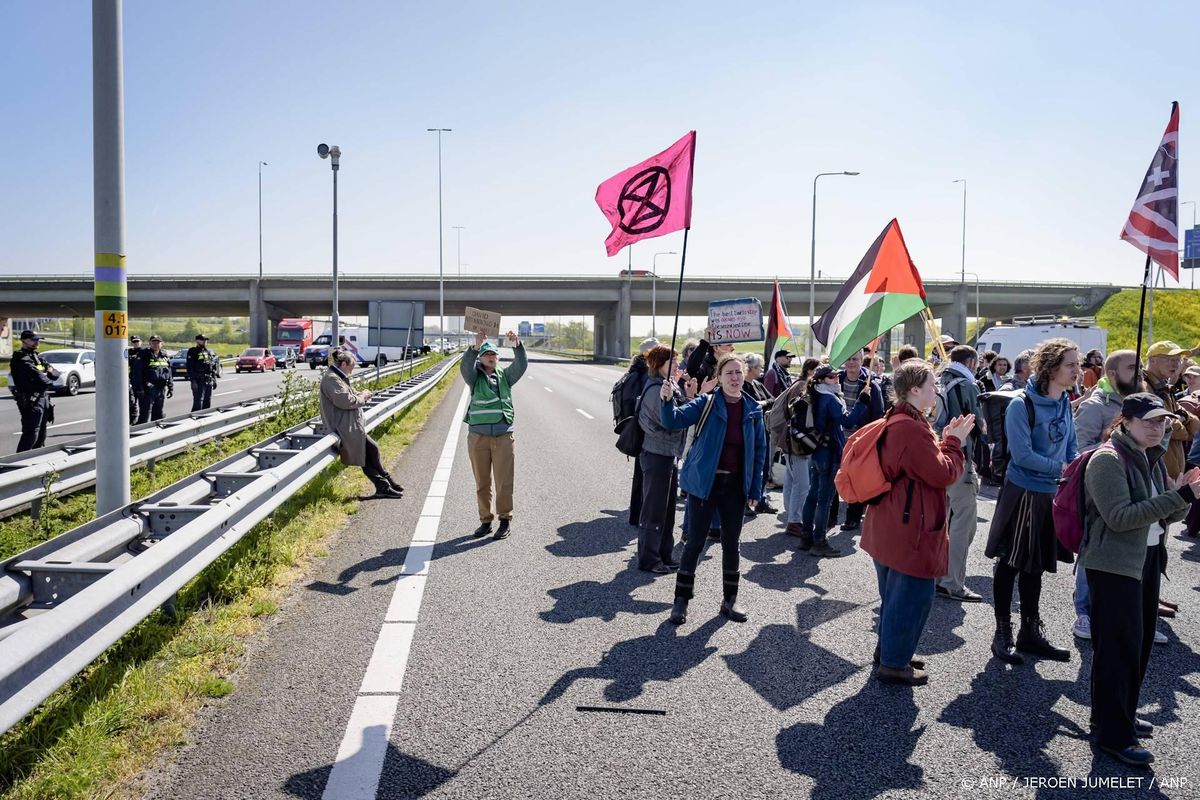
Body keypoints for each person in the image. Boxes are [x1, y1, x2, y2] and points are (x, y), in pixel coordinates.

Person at [1081, 393, 1200, 767]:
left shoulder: (1148, 458)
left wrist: (1184, 495)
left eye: (1162, 421)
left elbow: (1164, 516)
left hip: (1144, 559)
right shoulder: (1107, 459)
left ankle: (1117, 716)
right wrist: (1180, 494)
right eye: (1148, 421)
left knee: (1140, 643)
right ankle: (1114, 736)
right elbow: (1120, 518)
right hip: (1113, 563)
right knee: (1118, 649)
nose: (1157, 427)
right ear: (1125, 421)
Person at [862, 359, 974, 685]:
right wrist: (954, 442)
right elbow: (941, 474)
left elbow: (922, 463)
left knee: (896, 595)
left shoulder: (902, 419)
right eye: (932, 385)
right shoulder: (910, 427)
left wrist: (945, 439)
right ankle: (894, 663)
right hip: (908, 526)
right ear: (914, 390)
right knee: (912, 596)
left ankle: (891, 651)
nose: (936, 390)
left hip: (892, 521)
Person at [985, 338, 1080, 664]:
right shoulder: (1019, 405)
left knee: (1035, 564)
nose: (1077, 371)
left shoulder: (1065, 401)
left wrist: (1075, 470)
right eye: (1071, 365)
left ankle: (1030, 632)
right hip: (1023, 492)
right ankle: (1002, 632)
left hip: (1051, 493)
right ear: (1052, 368)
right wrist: (1063, 469)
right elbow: (1022, 455)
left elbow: (1071, 446)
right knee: (1010, 563)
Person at [659, 353, 767, 625]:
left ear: (744, 377)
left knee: (732, 544)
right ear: (719, 378)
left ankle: (730, 600)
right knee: (694, 542)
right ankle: (681, 601)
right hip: (705, 485)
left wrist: (755, 490)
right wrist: (667, 399)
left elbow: (759, 454)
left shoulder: (753, 410)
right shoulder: (706, 402)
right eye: (729, 373)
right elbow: (673, 420)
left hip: (735, 487)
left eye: (738, 373)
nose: (734, 378)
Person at [1070, 350, 1139, 639]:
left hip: (1138, 489)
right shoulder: (1096, 406)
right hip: (1101, 491)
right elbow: (1079, 449)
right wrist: (1111, 455)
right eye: (1133, 368)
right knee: (1094, 548)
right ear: (1112, 374)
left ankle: (1133, 611)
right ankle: (1084, 612)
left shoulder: (1141, 404)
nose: (1140, 374)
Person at [461, 330, 527, 539]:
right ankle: (485, 521)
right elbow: (464, 367)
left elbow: (521, 365)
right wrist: (475, 346)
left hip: (503, 436)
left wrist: (516, 344)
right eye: (487, 353)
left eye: (494, 354)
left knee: (504, 481)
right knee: (482, 482)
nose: (491, 356)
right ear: (480, 357)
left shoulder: (506, 377)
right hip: (478, 437)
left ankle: (504, 520)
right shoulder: (474, 377)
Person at [801, 364, 872, 557]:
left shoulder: (814, 394)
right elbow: (848, 421)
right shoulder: (829, 398)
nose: (836, 379)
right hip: (829, 452)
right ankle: (819, 542)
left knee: (812, 495)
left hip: (815, 451)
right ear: (822, 380)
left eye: (836, 376)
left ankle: (806, 536)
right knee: (824, 499)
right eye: (832, 377)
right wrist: (862, 401)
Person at [934, 346, 985, 603]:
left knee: (940, 518)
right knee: (964, 522)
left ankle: (935, 574)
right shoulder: (967, 384)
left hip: (937, 455)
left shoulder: (938, 379)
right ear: (971, 361)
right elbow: (979, 425)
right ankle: (952, 582)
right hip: (960, 458)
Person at [636, 345, 692, 573]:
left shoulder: (669, 386)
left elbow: (680, 412)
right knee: (653, 510)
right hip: (656, 454)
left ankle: (664, 554)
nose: (677, 365)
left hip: (668, 454)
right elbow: (670, 421)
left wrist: (688, 395)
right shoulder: (654, 390)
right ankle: (649, 559)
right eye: (672, 362)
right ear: (659, 365)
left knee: (667, 509)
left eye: (677, 361)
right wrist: (685, 404)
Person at [320, 349, 403, 499]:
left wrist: (361, 395)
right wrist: (363, 397)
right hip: (344, 428)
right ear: (344, 364)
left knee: (371, 451)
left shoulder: (339, 377)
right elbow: (345, 401)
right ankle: (385, 485)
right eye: (352, 365)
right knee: (367, 455)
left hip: (351, 426)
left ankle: (386, 484)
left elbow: (349, 395)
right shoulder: (332, 379)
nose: (353, 368)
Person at [829, 350, 885, 532]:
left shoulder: (870, 385)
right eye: (849, 359)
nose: (851, 363)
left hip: (859, 440)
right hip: (837, 438)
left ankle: (853, 518)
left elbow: (878, 415)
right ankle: (831, 516)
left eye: (855, 359)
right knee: (835, 478)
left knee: (855, 478)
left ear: (862, 361)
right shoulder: (836, 380)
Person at [768, 358, 819, 539]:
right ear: (810, 371)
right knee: (802, 483)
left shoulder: (799, 384)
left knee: (792, 480)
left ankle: (792, 517)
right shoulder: (802, 387)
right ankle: (795, 521)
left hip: (791, 440)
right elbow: (799, 416)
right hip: (797, 442)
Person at [1142, 341, 1199, 481]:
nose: (1176, 364)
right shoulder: (1144, 387)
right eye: (1170, 359)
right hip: (1154, 472)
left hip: (1169, 472)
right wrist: (1182, 426)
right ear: (1152, 360)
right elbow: (1168, 427)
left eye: (1178, 360)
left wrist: (1181, 420)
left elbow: (1195, 424)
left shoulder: (1164, 387)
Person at [622, 337, 659, 527]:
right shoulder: (647, 374)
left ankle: (635, 515)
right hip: (647, 430)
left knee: (639, 474)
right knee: (646, 475)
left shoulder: (636, 370)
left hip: (637, 427)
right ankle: (640, 516)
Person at [8, 330, 59, 452]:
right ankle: (18, 463)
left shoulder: (36, 356)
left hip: (43, 398)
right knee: (31, 434)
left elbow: (56, 373)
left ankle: (35, 462)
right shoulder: (20, 358)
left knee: (41, 434)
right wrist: (47, 374)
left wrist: (49, 372)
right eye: (34, 339)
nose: (37, 342)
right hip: (31, 400)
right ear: (24, 340)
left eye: (38, 339)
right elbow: (44, 380)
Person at [135, 334, 173, 423]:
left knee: (158, 414)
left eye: (158, 342)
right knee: (145, 414)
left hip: (161, 389)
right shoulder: (144, 355)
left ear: (161, 344)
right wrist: (139, 389)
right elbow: (137, 373)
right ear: (150, 344)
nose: (156, 344)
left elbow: (169, 372)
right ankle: (141, 434)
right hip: (148, 389)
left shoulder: (164, 356)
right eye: (154, 342)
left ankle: (155, 434)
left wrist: (171, 386)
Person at [186, 333, 220, 412]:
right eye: (203, 340)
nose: (205, 342)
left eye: (206, 340)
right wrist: (193, 381)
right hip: (198, 380)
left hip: (208, 380)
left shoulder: (208, 352)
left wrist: (214, 379)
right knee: (198, 402)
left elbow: (212, 367)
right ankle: (195, 421)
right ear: (197, 341)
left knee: (207, 402)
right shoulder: (193, 351)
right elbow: (190, 367)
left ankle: (205, 421)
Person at [128, 335, 144, 425]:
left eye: (137, 341)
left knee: (143, 402)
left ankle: (141, 421)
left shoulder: (144, 352)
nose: (136, 343)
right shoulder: (128, 352)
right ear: (131, 343)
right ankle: (132, 420)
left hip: (142, 380)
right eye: (134, 342)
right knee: (132, 401)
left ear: (141, 342)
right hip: (132, 379)